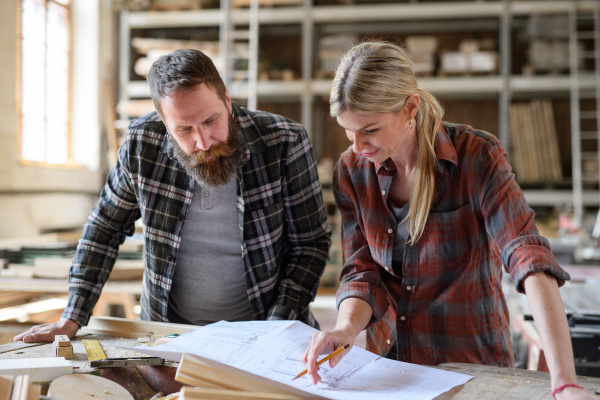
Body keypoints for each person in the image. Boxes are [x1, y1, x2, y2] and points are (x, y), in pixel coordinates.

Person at [302, 41, 594, 400]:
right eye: (349, 132)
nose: (358, 146)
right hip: (392, 370)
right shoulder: (352, 171)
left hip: (470, 369)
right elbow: (363, 271)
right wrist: (345, 329)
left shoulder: (477, 157)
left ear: (410, 107)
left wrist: (565, 383)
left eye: (371, 130)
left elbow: (527, 257)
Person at [15, 49, 331, 343]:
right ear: (165, 124)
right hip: (169, 333)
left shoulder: (285, 141)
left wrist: (277, 327)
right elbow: (104, 229)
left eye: (211, 121)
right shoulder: (142, 145)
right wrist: (74, 314)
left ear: (227, 100)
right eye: (184, 130)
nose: (204, 141)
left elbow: (310, 245)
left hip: (267, 330)